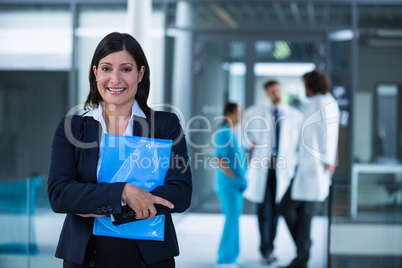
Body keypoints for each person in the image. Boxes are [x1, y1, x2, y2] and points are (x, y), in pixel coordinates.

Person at [47, 32, 192, 268]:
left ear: (140, 74)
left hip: (149, 259)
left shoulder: (165, 125)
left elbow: (180, 193)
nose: (115, 79)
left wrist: (101, 205)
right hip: (85, 258)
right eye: (106, 69)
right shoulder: (72, 128)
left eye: (125, 69)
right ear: (95, 73)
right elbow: (60, 195)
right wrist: (122, 192)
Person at [279, 69, 339, 268]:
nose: (304, 88)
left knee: (290, 209)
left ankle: (302, 253)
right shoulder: (316, 102)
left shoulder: (325, 101)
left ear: (313, 84)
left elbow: (330, 132)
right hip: (305, 167)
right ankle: (303, 252)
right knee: (299, 214)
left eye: (305, 84)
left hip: (317, 168)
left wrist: (330, 160)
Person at [242, 81, 304, 264]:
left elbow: (300, 146)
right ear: (267, 94)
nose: (275, 94)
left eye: (277, 90)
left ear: (281, 91)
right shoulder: (254, 113)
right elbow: (244, 136)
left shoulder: (295, 116)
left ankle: (271, 247)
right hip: (265, 167)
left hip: (285, 168)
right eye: (271, 92)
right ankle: (266, 250)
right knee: (265, 210)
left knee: (278, 210)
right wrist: (249, 143)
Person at [214, 102, 248, 267]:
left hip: (236, 186)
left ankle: (231, 257)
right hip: (229, 186)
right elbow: (220, 159)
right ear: (230, 113)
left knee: (234, 219)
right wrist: (234, 178)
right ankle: (225, 259)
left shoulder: (232, 133)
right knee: (232, 219)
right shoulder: (225, 133)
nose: (241, 116)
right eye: (239, 112)